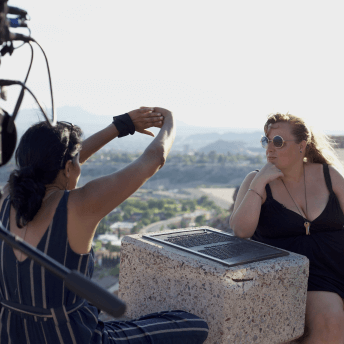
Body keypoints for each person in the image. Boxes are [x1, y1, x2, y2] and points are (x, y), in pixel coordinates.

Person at [0, 107, 209, 343]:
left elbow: (56, 164)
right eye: (76, 162)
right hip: (74, 337)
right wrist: (169, 120)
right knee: (193, 325)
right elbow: (154, 158)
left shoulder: (7, 198)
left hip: (11, 335)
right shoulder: (78, 206)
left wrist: (120, 126)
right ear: (68, 168)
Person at [229, 113, 344, 344]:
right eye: (266, 141)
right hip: (297, 276)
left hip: (337, 265)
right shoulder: (256, 180)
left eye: (278, 141)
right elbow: (241, 231)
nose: (270, 148)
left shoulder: (328, 174)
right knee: (330, 322)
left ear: (302, 146)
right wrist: (260, 182)